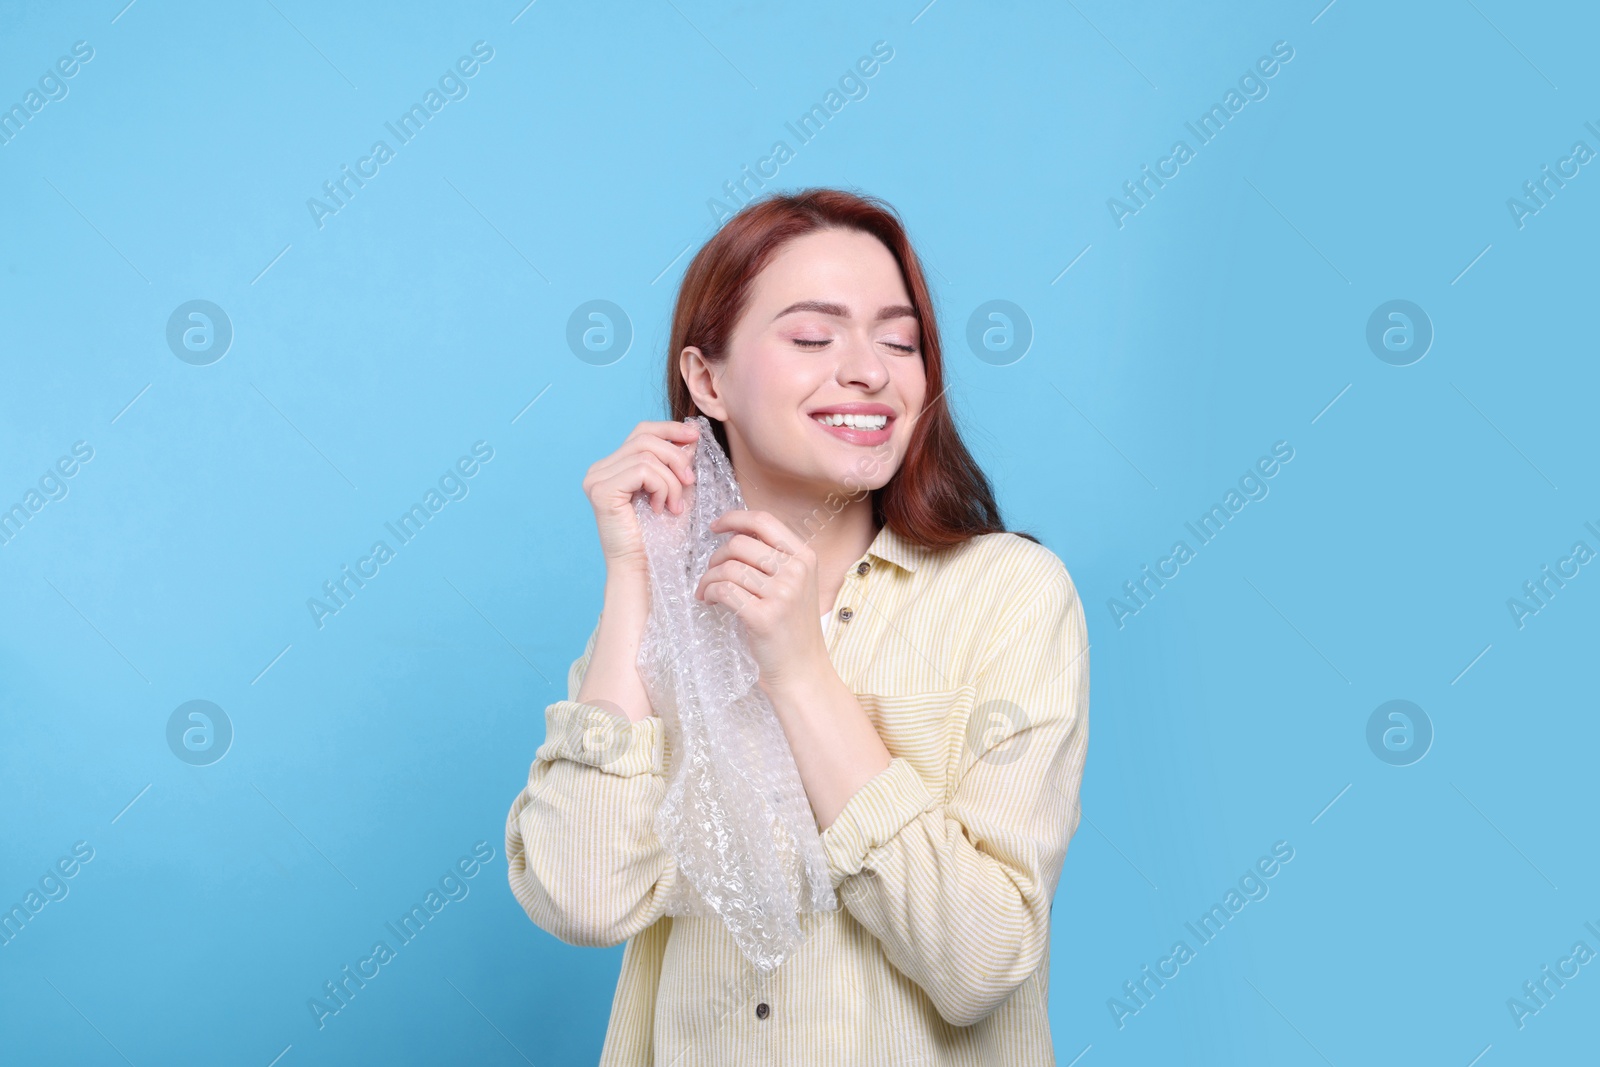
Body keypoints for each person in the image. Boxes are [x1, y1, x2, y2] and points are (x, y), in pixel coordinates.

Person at [505, 187, 1090, 1065]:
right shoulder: (660, 618)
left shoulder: (1009, 594)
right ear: (707, 381)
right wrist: (637, 574)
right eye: (814, 337)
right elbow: (583, 898)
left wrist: (800, 670)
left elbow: (981, 962)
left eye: (900, 339)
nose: (868, 370)